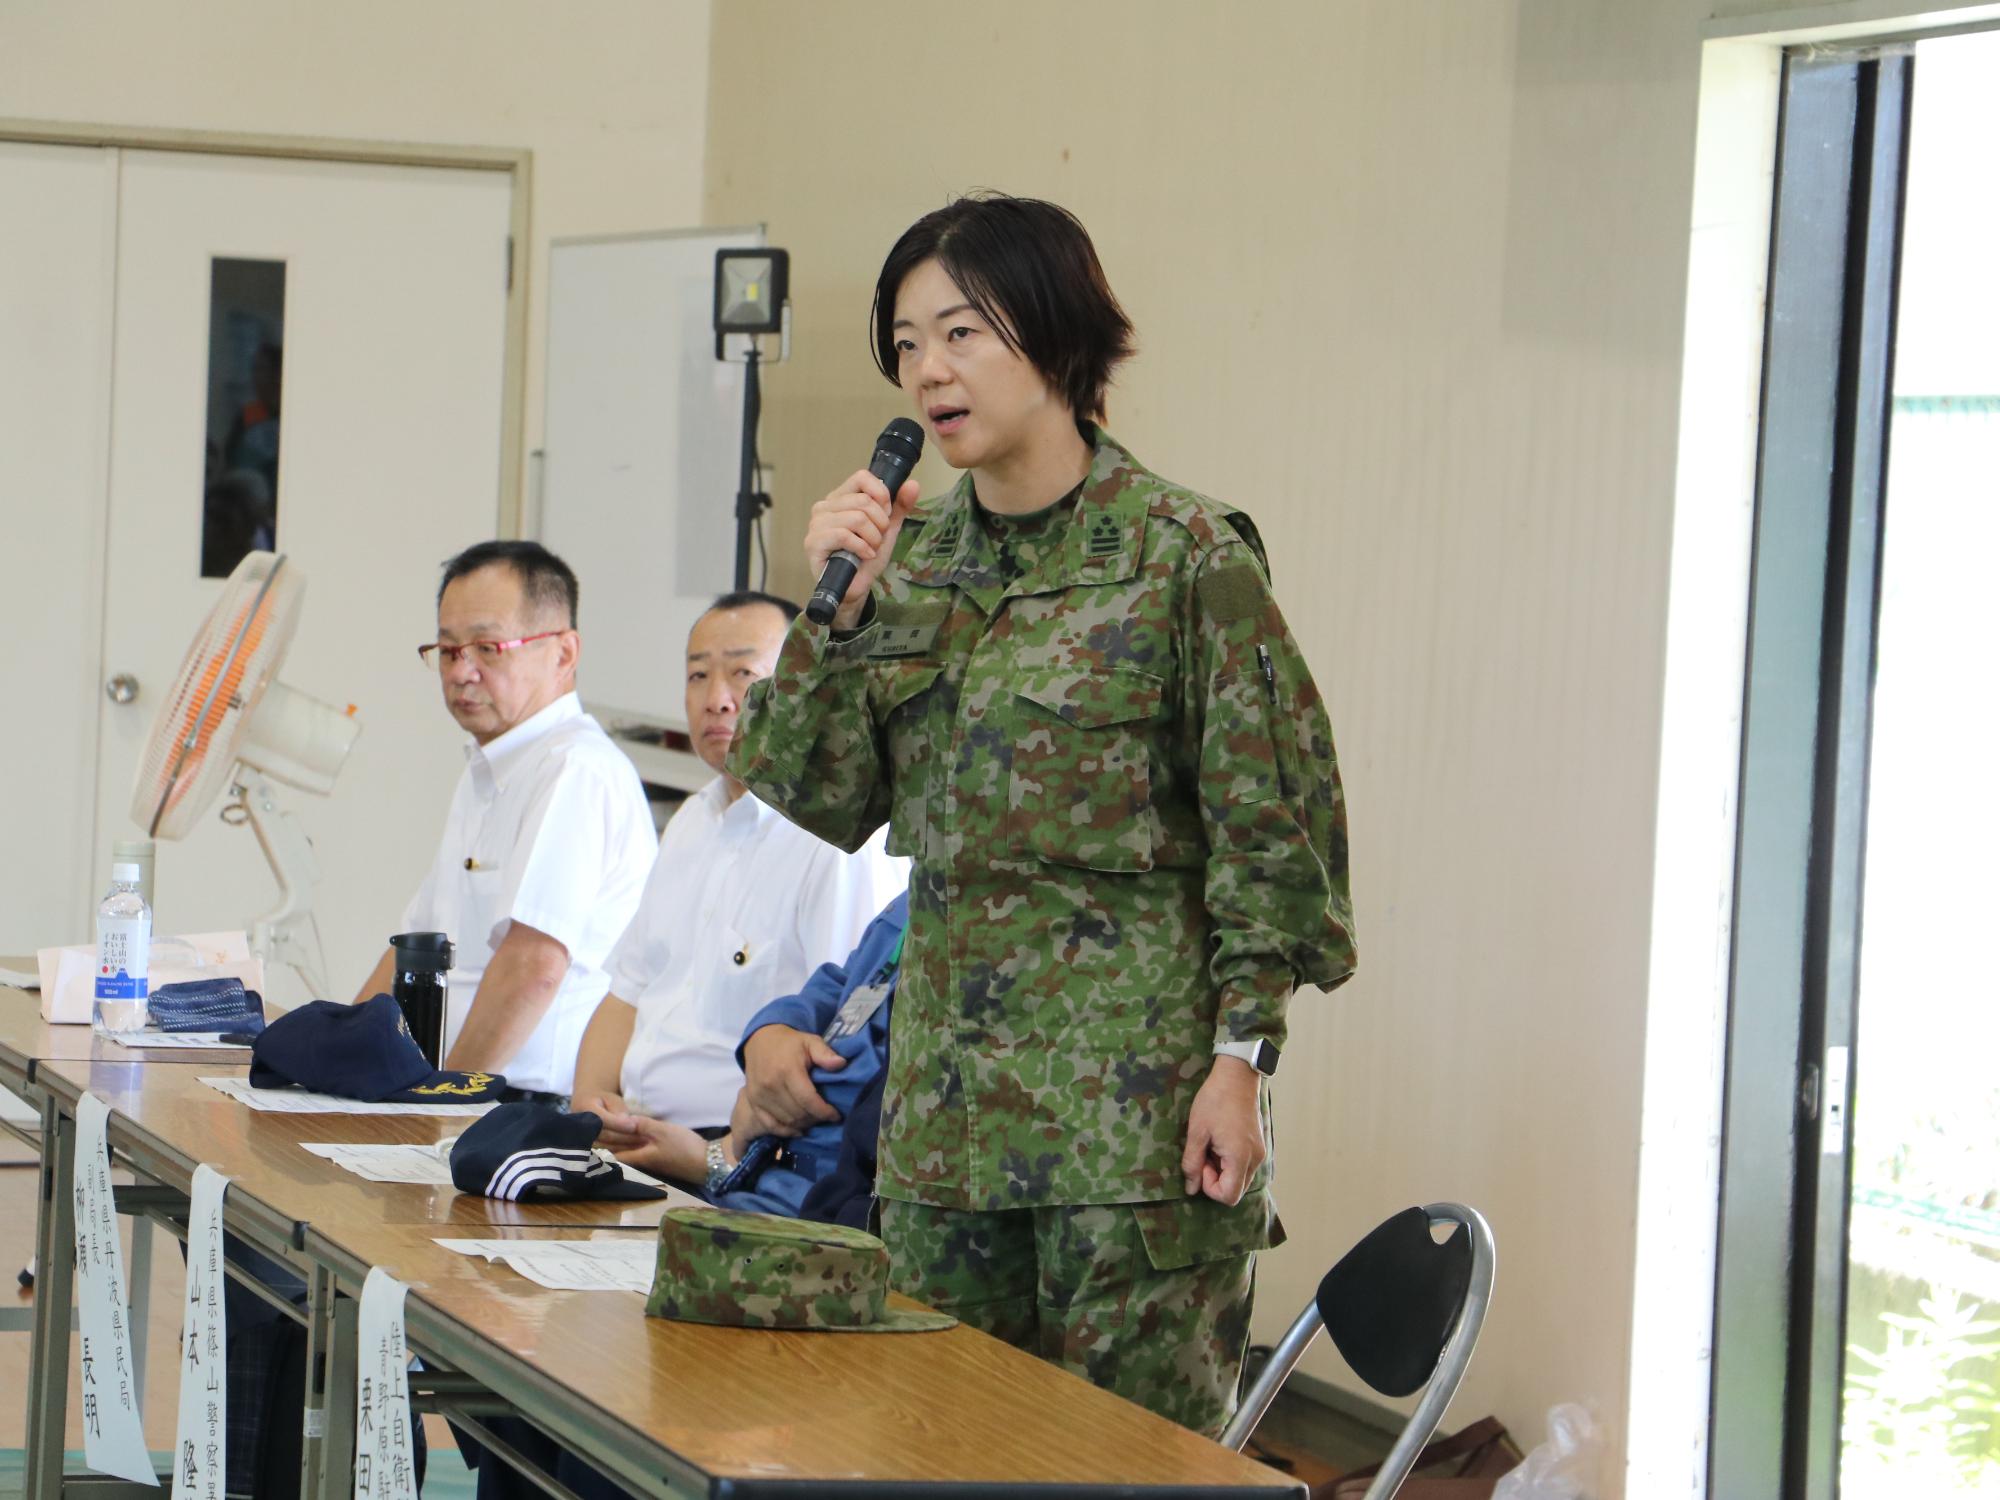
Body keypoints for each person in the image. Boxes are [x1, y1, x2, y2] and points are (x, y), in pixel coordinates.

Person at [729, 193, 1356, 1438]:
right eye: (905, 344)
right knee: (936, 1458)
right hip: (943, 1147)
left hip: (1129, 1148)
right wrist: (835, 618)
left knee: (1128, 1469)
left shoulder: (1185, 556)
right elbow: (813, 791)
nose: (927, 371)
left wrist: (1242, 1062)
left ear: (1058, 334)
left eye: (959, 333)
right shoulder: (915, 564)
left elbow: (1272, 841)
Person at [566, 591, 906, 1135]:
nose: (717, 699)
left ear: (804, 688)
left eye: (743, 673)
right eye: (698, 675)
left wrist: (719, 1159)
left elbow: (844, 1040)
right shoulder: (692, 821)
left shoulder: (838, 843)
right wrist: (589, 1106)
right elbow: (627, 992)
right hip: (633, 1135)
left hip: (739, 1152)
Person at [352, 539, 656, 1101]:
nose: (461, 672)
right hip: (463, 1094)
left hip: (528, 1110)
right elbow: (411, 950)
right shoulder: (487, 770)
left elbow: (533, 968)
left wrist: (439, 1105)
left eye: (488, 648)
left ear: (563, 654)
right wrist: (340, 1067)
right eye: (448, 650)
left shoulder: (575, 770)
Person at [605, 889, 907, 1226]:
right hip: (743, 1179)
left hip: (816, 1216)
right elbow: (839, 986)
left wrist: (773, 1090)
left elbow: (880, 1089)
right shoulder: (918, 896)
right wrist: (774, 1029)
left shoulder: (950, 917)